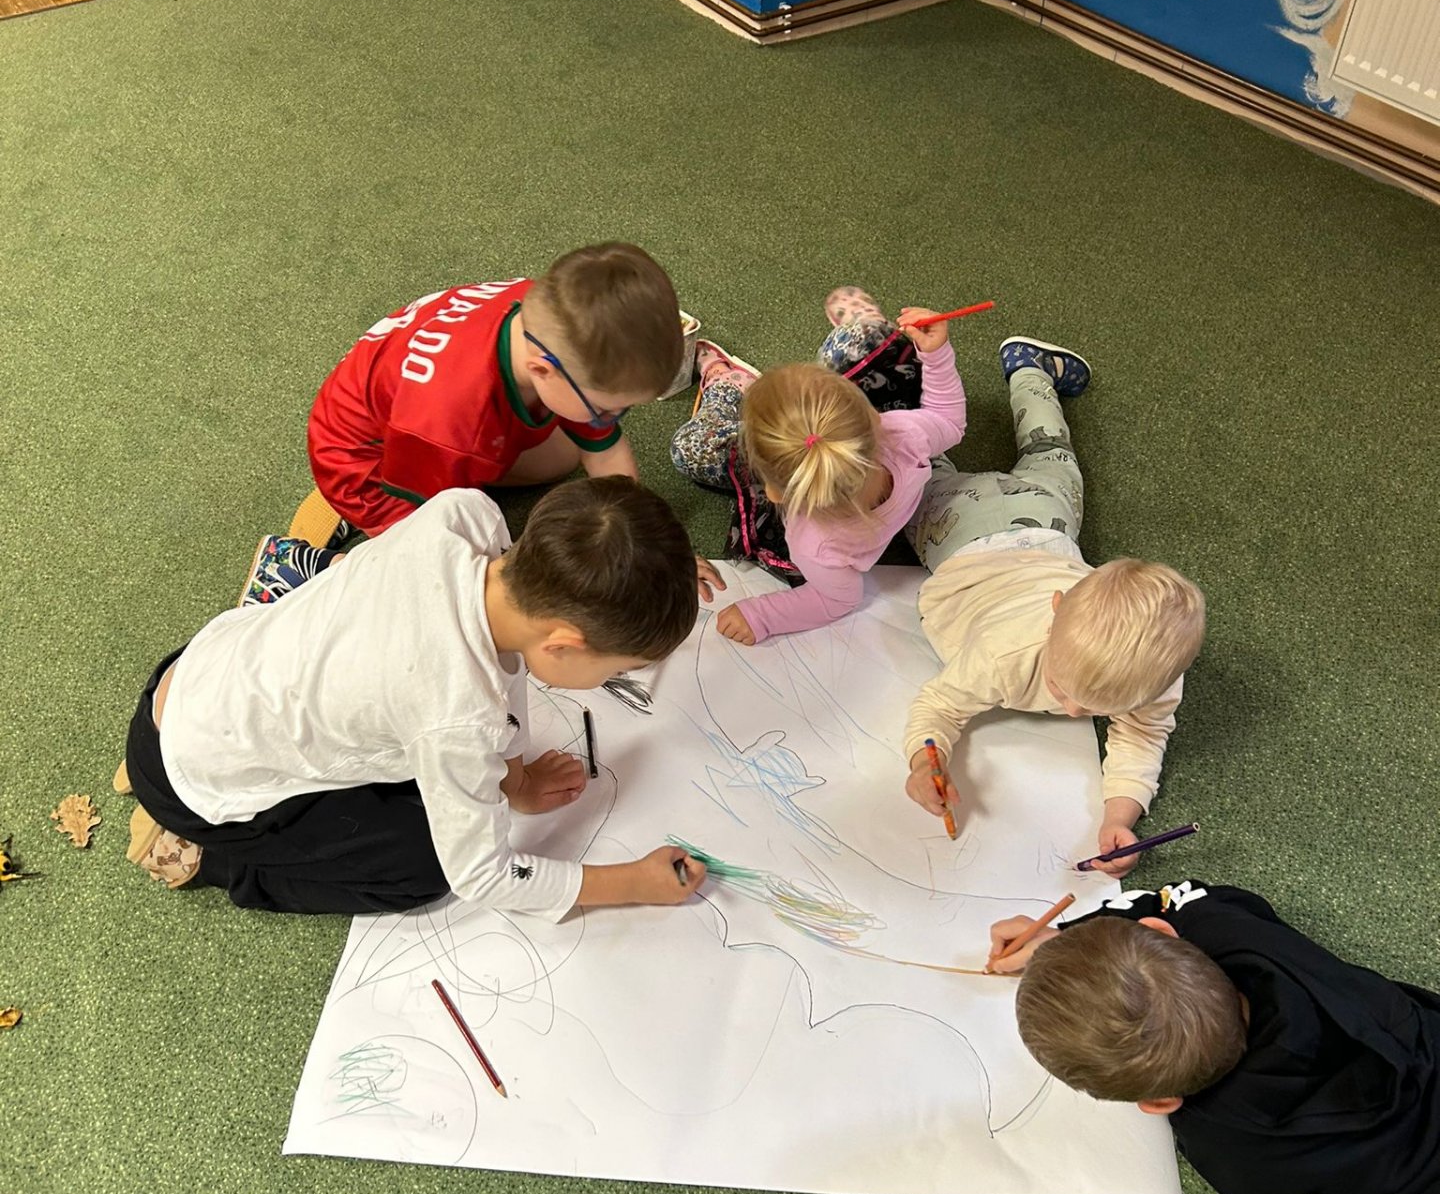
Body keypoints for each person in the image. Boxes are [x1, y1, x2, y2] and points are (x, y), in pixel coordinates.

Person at [118, 479, 710, 916]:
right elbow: (483, 876)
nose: (618, 676)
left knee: (443, 784)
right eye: (620, 668)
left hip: (194, 673)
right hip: (191, 781)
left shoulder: (467, 515)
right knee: (424, 866)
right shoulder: (456, 718)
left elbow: (501, 673)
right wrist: (630, 882)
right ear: (562, 645)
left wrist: (517, 780)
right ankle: (218, 861)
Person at [989, 881, 1440, 1194]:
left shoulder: (1228, 1137)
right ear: (1162, 932)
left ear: (1160, 1102)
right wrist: (1067, 933)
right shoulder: (1234, 931)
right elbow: (1180, 895)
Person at [899, 334, 1204, 871]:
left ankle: (1028, 371)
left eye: (1094, 709)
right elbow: (939, 705)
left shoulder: (1155, 676)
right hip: (959, 533)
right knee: (916, 469)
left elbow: (1143, 733)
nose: (1074, 713)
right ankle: (920, 380)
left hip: (1046, 521)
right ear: (1056, 608)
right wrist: (925, 760)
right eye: (1064, 689)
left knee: (1050, 452)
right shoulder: (1005, 654)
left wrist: (1120, 817)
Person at [300, 242, 688, 543]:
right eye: (606, 409)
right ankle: (321, 562)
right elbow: (436, 528)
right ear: (542, 370)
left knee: (565, 455)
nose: (611, 420)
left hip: (427, 422)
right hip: (363, 462)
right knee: (462, 574)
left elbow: (606, 455)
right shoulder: (449, 421)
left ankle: (467, 472)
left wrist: (644, 539)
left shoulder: (552, 313)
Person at [669, 288, 968, 641]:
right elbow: (949, 421)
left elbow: (836, 599)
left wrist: (762, 615)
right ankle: (865, 341)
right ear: (873, 415)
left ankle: (728, 385)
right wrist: (936, 355)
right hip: (838, 428)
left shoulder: (815, 544)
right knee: (861, 342)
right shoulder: (903, 434)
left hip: (824, 437)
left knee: (689, 449)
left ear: (773, 492)